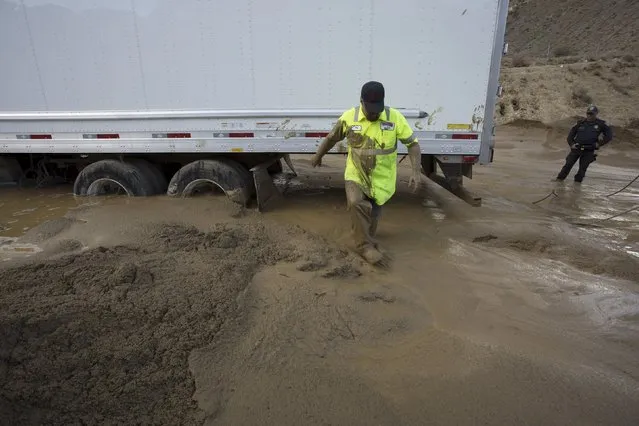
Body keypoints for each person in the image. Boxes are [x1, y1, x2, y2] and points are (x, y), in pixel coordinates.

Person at [311, 81, 422, 266]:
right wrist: (318, 156)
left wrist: (416, 172)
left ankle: (366, 237)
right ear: (361, 101)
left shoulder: (394, 118)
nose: (374, 113)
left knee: (373, 219)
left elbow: (413, 144)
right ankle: (364, 247)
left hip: (381, 179)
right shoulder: (349, 117)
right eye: (370, 109)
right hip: (356, 173)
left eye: (377, 109)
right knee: (355, 203)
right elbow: (331, 138)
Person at [556, 105, 613, 183]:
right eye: (588, 113)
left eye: (591, 114)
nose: (589, 115)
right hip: (576, 148)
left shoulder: (601, 124)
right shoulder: (580, 123)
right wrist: (571, 144)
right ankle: (558, 181)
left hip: (589, 150)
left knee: (582, 170)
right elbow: (571, 134)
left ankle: (576, 187)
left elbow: (609, 136)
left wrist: (599, 144)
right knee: (567, 165)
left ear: (596, 114)